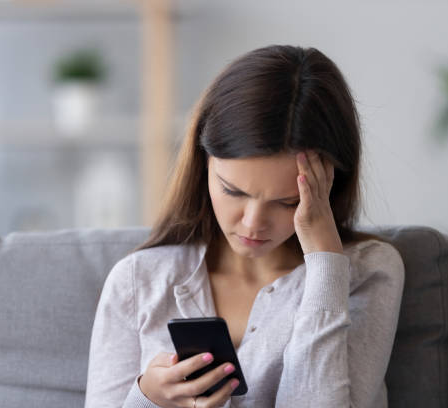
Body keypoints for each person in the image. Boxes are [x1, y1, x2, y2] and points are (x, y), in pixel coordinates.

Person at [85, 44, 404, 408]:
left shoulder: (368, 271)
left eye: (287, 202)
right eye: (233, 191)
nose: (252, 223)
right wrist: (148, 399)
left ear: (329, 185)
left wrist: (325, 265)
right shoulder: (138, 282)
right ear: (203, 163)